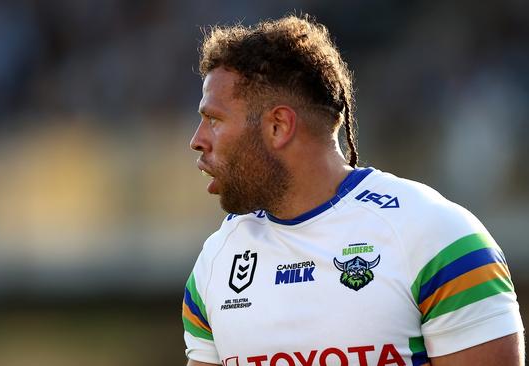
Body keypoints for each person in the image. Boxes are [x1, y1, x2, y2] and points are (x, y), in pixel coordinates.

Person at [182, 15, 524, 366]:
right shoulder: (216, 263)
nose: (197, 140)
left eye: (214, 120)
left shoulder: (438, 239)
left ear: (278, 126)